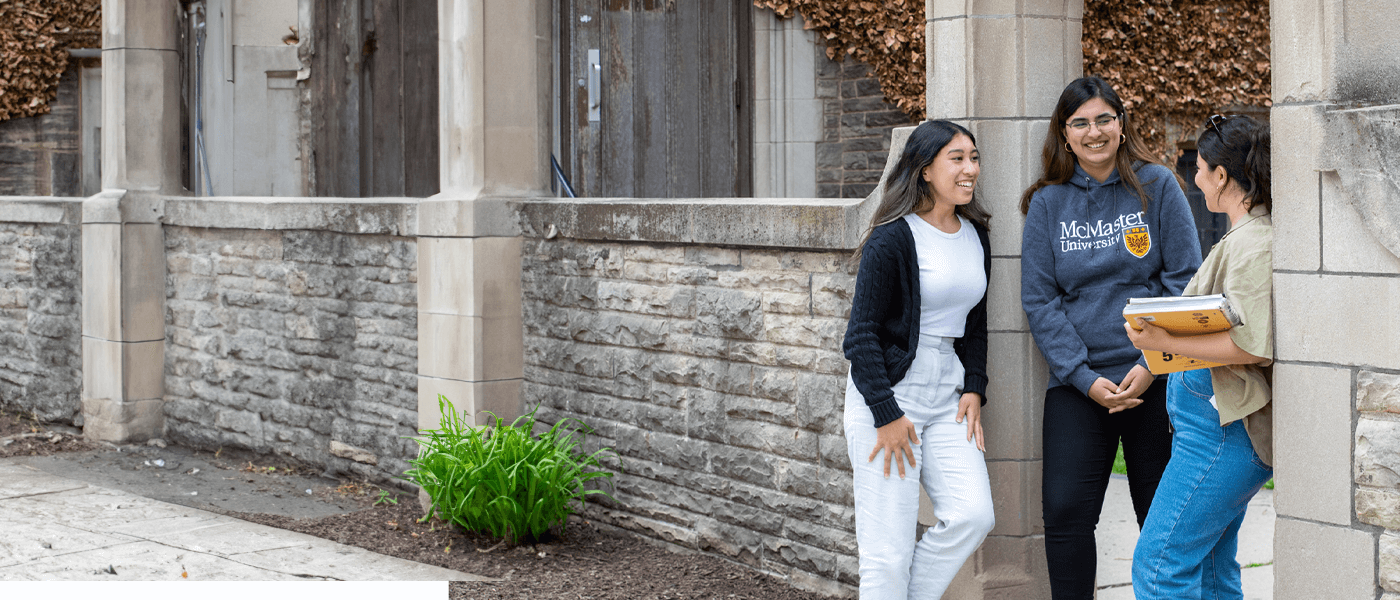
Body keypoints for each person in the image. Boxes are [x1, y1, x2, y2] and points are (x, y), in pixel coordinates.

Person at [1019, 76, 1202, 600]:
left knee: (1161, 518)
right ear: (1065, 133)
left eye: (1104, 119)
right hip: (1080, 385)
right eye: (1080, 122)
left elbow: (1182, 283)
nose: (1094, 132)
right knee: (1066, 514)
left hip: (1155, 378)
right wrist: (1083, 377)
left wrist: (1152, 362)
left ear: (1122, 125)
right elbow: (1040, 301)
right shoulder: (1047, 203)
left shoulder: (1158, 185)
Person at [842, 119, 995, 599]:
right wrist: (885, 414)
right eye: (957, 158)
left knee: (973, 515)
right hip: (890, 395)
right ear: (925, 169)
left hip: (947, 393)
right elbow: (860, 335)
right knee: (886, 555)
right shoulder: (892, 238)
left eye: (973, 157)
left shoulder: (975, 233)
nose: (970, 168)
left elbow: (974, 322)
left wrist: (974, 386)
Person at [1127, 114, 1274, 600]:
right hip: (1214, 433)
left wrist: (1161, 342)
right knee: (1211, 573)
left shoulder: (1254, 243)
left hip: (1222, 437)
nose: (1195, 177)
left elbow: (1250, 345)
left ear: (1222, 176)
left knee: (1159, 567)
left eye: (1201, 167)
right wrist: (1150, 364)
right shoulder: (1246, 238)